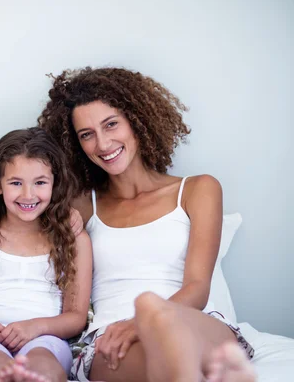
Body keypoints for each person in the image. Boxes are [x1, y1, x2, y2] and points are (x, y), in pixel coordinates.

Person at [38, 67, 255, 382]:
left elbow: (198, 287)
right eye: (87, 134)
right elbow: (12, 217)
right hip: (111, 334)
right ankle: (194, 369)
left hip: (190, 319)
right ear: (77, 144)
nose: (102, 143)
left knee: (173, 333)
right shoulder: (83, 206)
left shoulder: (198, 189)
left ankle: (164, 328)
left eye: (111, 124)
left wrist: (143, 320)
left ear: (136, 120)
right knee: (162, 357)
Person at [0, 127, 93, 382]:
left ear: (55, 183)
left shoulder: (73, 239)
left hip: (47, 339)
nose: (28, 194)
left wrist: (35, 327)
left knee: (42, 368)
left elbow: (76, 317)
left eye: (40, 182)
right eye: (16, 183)